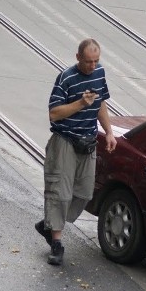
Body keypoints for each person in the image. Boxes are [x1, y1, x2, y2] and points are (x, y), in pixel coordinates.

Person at [36, 38, 116, 266]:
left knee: (84, 193)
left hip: (87, 142)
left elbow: (101, 104)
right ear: (78, 57)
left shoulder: (100, 74)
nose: (92, 66)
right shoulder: (66, 78)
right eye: (88, 61)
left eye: (96, 61)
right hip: (65, 142)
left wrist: (109, 132)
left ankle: (49, 224)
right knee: (59, 193)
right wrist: (80, 103)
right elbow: (54, 113)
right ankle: (57, 243)